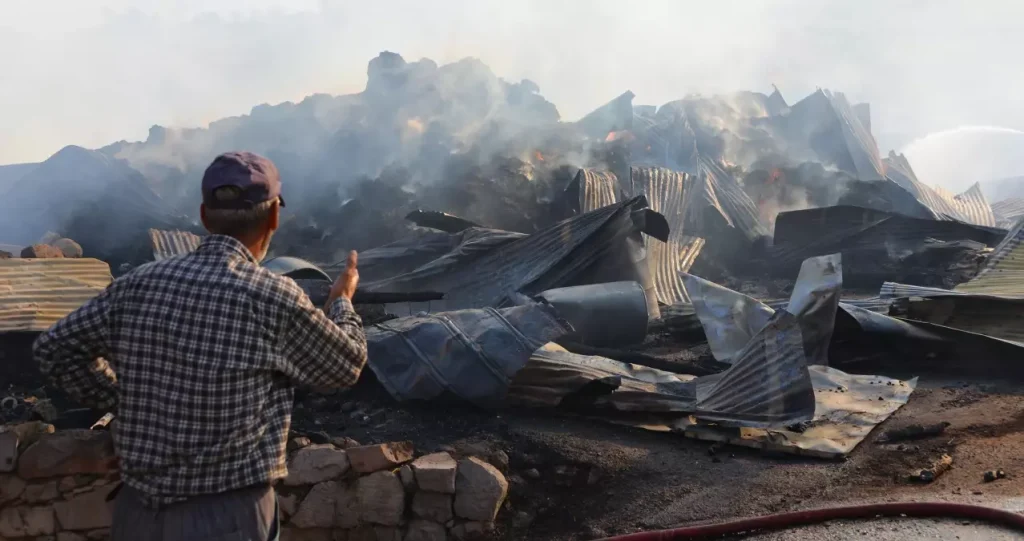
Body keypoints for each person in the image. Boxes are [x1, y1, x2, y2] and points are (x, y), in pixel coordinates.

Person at [33, 151, 368, 541]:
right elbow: (346, 366)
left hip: (139, 515)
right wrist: (342, 300)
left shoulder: (138, 284)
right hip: (229, 518)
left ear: (205, 217)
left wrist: (123, 398)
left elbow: (54, 349)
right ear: (275, 215)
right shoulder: (273, 296)